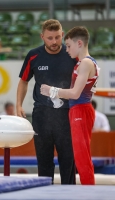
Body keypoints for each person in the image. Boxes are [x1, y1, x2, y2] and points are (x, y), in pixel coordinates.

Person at [16, 19, 76, 184]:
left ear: (62, 35)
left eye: (57, 37)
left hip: (67, 114)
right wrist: (19, 105)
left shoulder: (72, 54)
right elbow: (23, 81)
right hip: (42, 115)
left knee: (68, 162)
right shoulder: (33, 55)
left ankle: (70, 195)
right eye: (50, 38)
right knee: (44, 163)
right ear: (42, 37)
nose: (54, 42)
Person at [40, 26, 100, 185]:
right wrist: (58, 97)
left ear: (79, 43)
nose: (66, 49)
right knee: (80, 156)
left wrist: (52, 90)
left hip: (81, 109)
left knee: (81, 157)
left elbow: (75, 93)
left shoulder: (86, 63)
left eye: (68, 45)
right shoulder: (83, 63)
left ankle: (89, 193)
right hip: (78, 110)